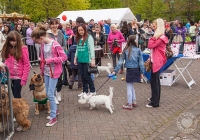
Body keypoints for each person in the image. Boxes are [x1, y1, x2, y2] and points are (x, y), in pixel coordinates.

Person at [31, 24, 67, 127]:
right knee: (48, 93)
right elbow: (42, 57)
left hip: (54, 72)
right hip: (46, 72)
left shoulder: (55, 44)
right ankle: (55, 110)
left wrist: (51, 60)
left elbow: (64, 57)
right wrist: (41, 69)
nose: (37, 43)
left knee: (50, 94)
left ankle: (53, 117)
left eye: (37, 41)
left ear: (41, 38)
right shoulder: (42, 45)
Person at [112, 35, 144, 110]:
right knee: (132, 86)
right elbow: (141, 62)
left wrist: (115, 71)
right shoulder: (138, 50)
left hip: (130, 70)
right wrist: (142, 72)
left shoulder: (125, 50)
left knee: (129, 86)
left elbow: (120, 62)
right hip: (136, 70)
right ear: (135, 41)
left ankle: (129, 104)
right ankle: (133, 101)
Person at [146, 18, 168, 108]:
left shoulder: (161, 37)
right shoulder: (160, 37)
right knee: (155, 81)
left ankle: (155, 102)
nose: (153, 27)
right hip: (155, 60)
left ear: (158, 26)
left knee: (154, 81)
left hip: (157, 61)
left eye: (154, 26)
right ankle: (154, 98)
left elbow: (150, 45)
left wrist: (153, 38)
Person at [1, 31, 30, 98]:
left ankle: (20, 108)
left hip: (19, 76)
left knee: (17, 94)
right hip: (10, 76)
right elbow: (7, 61)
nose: (12, 43)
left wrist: (24, 79)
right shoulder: (8, 48)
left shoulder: (23, 49)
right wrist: (4, 66)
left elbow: (26, 64)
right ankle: (17, 107)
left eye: (14, 41)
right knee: (14, 92)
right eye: (11, 41)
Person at [47, 18, 69, 104]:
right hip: (52, 60)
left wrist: (59, 49)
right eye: (52, 24)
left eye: (56, 24)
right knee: (52, 78)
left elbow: (64, 45)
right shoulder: (48, 34)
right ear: (50, 25)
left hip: (60, 59)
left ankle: (58, 92)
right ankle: (53, 94)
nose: (54, 26)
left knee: (60, 77)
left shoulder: (61, 34)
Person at [74, 23, 96, 97]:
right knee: (82, 76)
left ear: (85, 29)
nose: (80, 31)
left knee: (87, 76)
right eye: (79, 30)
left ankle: (92, 90)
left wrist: (93, 59)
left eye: (82, 30)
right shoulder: (78, 38)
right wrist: (75, 57)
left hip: (87, 60)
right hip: (80, 60)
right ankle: (85, 91)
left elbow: (92, 49)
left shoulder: (89, 38)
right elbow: (77, 49)